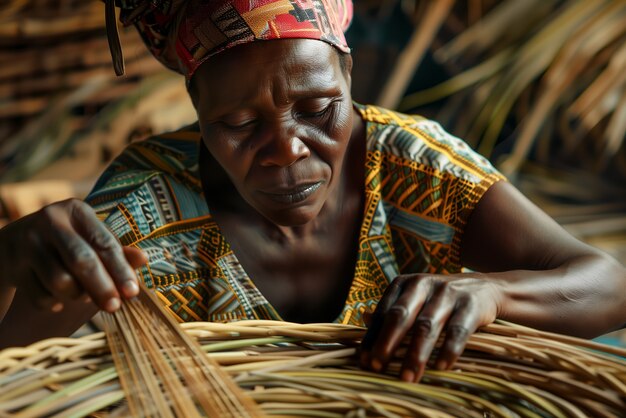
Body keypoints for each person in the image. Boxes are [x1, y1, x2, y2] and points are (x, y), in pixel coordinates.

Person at [0, 0, 624, 384]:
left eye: (320, 108)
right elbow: (20, 376)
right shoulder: (144, 202)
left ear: (351, 76)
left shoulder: (410, 167)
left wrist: (494, 291)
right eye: (240, 125)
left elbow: (607, 284)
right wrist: (18, 264)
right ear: (196, 109)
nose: (288, 150)